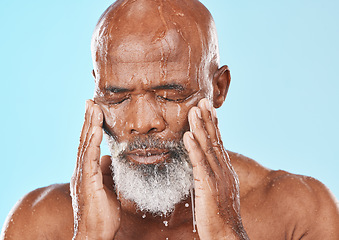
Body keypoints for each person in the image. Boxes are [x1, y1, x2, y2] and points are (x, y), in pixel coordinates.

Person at [1, 0, 338, 239]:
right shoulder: (39, 224)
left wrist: (227, 234)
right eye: (117, 96)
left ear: (218, 88)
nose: (142, 122)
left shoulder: (301, 212)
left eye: (170, 94)